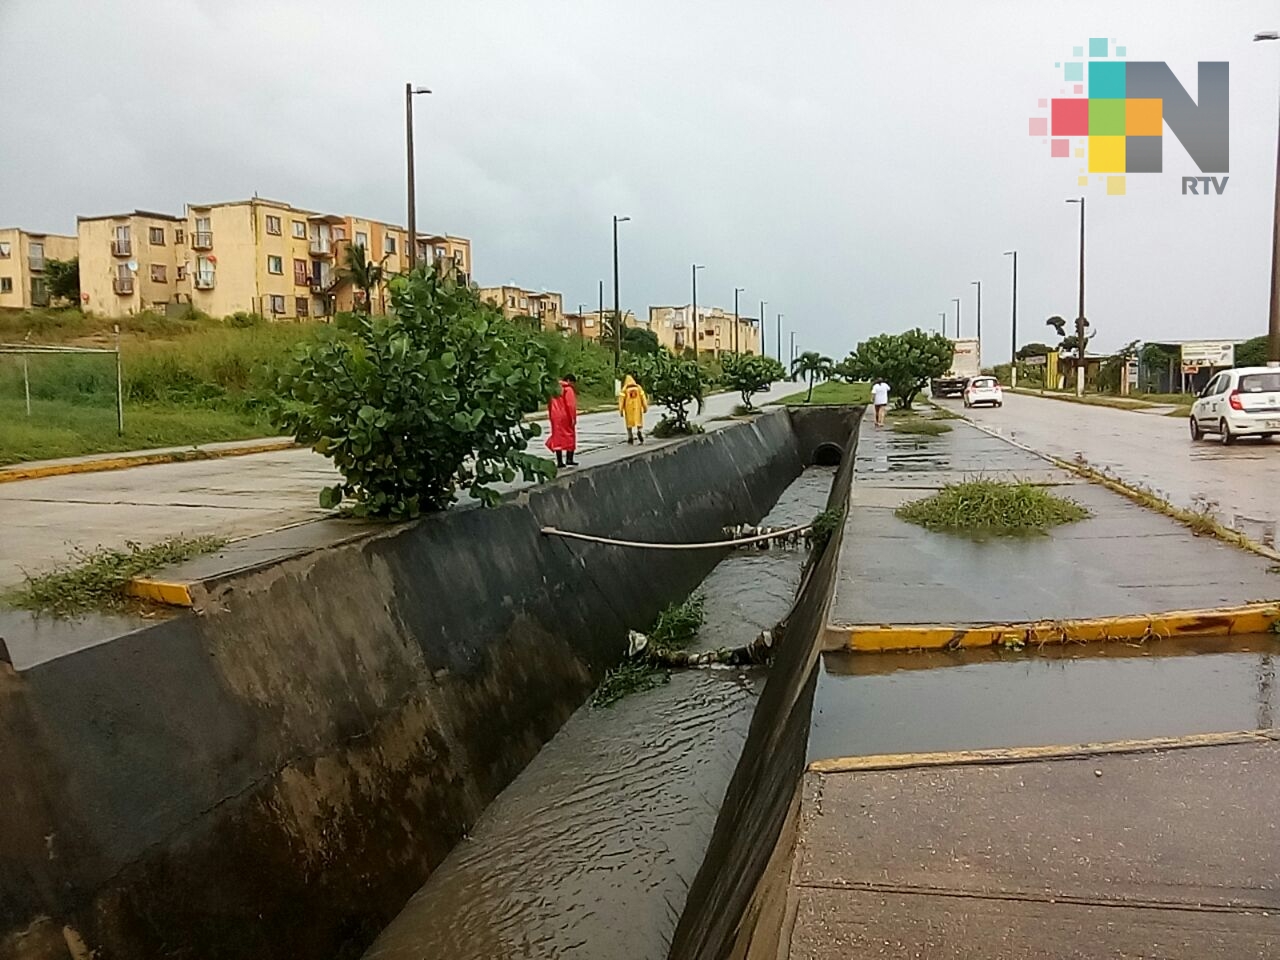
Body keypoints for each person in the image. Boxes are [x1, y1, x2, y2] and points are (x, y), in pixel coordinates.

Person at [546, 374, 578, 467]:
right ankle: (569, 459)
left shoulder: (554, 389)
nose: (573, 385)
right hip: (565, 416)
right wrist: (573, 418)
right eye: (573, 383)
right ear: (569, 380)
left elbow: (549, 402)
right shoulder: (568, 389)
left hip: (555, 415)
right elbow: (570, 405)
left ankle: (559, 461)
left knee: (557, 437)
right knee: (570, 436)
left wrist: (551, 414)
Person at [619, 373, 649, 444]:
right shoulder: (638, 388)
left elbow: (621, 401)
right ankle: (639, 431)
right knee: (639, 422)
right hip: (637, 408)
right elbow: (643, 398)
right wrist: (645, 407)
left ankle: (630, 436)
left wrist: (620, 411)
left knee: (629, 424)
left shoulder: (624, 390)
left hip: (628, 409)